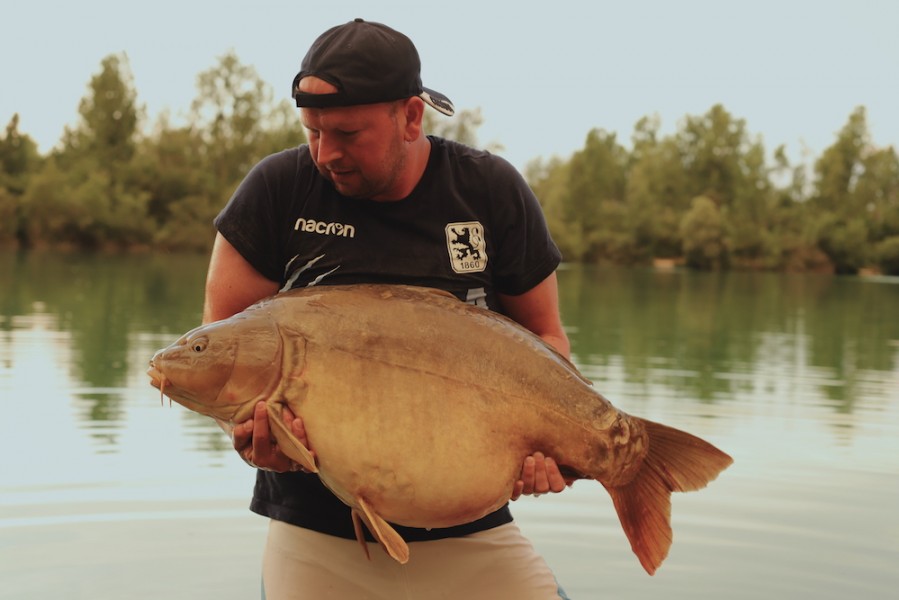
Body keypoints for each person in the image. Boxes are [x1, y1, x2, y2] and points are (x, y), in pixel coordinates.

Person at [202, 18, 573, 599]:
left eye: (348, 133)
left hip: (471, 533)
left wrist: (546, 445)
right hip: (315, 540)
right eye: (312, 132)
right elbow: (221, 353)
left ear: (410, 116)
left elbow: (547, 339)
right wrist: (244, 431)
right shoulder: (276, 191)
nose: (326, 154)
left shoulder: (490, 191)